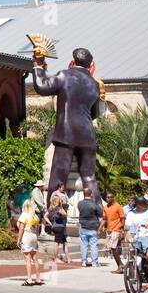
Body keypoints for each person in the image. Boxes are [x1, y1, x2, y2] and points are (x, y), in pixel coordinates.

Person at [30, 46, 102, 199]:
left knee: (58, 178)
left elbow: (42, 86)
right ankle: (97, 212)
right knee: (89, 178)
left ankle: (53, 213)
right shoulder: (95, 84)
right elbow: (94, 113)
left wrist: (38, 65)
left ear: (72, 61)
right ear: (90, 65)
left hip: (66, 135)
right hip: (87, 136)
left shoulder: (64, 76)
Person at [125, 196, 148, 275]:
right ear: (138, 204)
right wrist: (126, 230)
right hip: (137, 235)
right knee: (131, 252)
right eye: (144, 203)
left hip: (147, 235)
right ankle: (132, 271)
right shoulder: (131, 213)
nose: (146, 205)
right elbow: (127, 227)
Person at [17, 198, 44, 286]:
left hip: (27, 235)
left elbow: (21, 228)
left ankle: (29, 279)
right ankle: (38, 278)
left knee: (27, 258)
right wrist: (36, 237)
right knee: (35, 258)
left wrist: (19, 239)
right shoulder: (35, 216)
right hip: (33, 235)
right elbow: (37, 228)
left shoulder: (24, 215)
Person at [77, 190, 105, 267]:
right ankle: (94, 262)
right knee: (93, 245)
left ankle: (83, 261)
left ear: (83, 194)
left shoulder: (80, 203)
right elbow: (100, 215)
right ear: (91, 194)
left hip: (83, 226)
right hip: (93, 227)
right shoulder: (95, 205)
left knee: (83, 244)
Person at [103, 192, 126, 273]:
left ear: (113, 198)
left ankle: (120, 265)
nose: (108, 199)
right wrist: (99, 228)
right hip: (109, 230)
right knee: (112, 249)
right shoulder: (105, 207)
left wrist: (122, 229)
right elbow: (104, 219)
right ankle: (120, 265)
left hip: (117, 229)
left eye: (110, 197)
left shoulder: (118, 206)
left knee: (113, 247)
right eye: (107, 197)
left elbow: (122, 218)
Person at [46, 195, 70, 265]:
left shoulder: (50, 209)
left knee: (64, 242)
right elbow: (65, 214)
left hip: (54, 227)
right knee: (57, 243)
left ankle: (67, 258)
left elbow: (45, 216)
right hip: (60, 227)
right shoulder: (59, 208)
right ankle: (56, 258)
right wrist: (62, 206)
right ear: (58, 201)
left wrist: (50, 223)